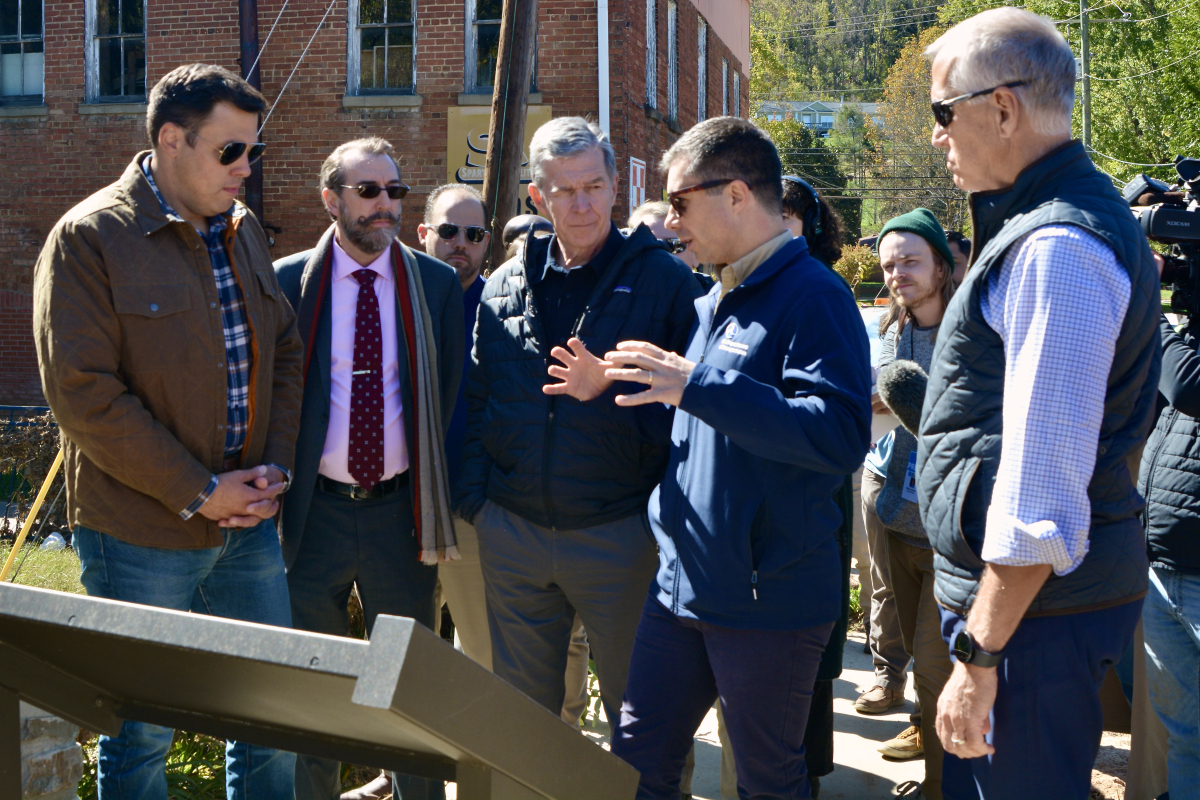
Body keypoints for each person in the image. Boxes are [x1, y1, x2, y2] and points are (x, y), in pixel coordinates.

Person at [32, 63, 302, 799]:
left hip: (249, 524)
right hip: (139, 535)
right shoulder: (89, 239)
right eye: (230, 152)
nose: (246, 169)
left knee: (271, 725)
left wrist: (272, 467)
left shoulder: (241, 232)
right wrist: (200, 491)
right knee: (140, 738)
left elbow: (283, 352)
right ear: (171, 140)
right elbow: (83, 396)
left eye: (254, 152)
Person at [918, 9, 1161, 798]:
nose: (936, 136)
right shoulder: (1042, 224)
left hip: (1031, 624)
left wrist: (980, 658)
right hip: (1033, 615)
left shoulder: (1058, 246)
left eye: (940, 112)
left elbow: (1040, 496)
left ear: (1003, 107)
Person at [602, 117, 871, 799]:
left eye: (680, 201)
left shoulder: (815, 296)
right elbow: (712, 426)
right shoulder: (717, 293)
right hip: (683, 586)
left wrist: (697, 385)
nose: (669, 220)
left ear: (738, 195)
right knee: (634, 765)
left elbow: (839, 434)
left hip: (768, 601)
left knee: (767, 783)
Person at [455, 116, 701, 731]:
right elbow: (480, 398)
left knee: (643, 720)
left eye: (593, 185)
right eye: (565, 191)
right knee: (525, 724)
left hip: (620, 535)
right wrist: (480, 506)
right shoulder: (504, 283)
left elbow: (693, 417)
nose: (583, 203)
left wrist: (608, 387)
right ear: (538, 196)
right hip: (513, 534)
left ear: (616, 185)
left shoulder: (668, 285)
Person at [275, 137, 464, 800]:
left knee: (408, 690)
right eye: (369, 191)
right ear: (331, 200)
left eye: (395, 191)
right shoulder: (287, 282)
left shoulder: (436, 285)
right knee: (315, 689)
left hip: (400, 513)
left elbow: (449, 400)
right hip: (312, 515)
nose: (386, 205)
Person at [416, 185, 592, 726]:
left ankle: (504, 769)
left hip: (472, 509)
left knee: (486, 658)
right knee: (409, 655)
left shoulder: (502, 306)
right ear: (424, 234)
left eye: (473, 235)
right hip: (397, 506)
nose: (460, 245)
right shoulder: (398, 296)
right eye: (448, 232)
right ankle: (401, 772)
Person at [870, 208, 958, 799]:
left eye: (910, 260)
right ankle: (933, 765)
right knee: (907, 652)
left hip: (947, 531)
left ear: (941, 266)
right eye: (889, 263)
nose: (898, 272)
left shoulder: (974, 334)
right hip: (892, 517)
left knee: (934, 668)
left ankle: (943, 789)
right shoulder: (887, 330)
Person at [1137, 281, 1200, 798]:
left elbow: (1190, 386)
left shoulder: (1181, 350)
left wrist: (1148, 307)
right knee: (1187, 738)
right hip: (1164, 564)